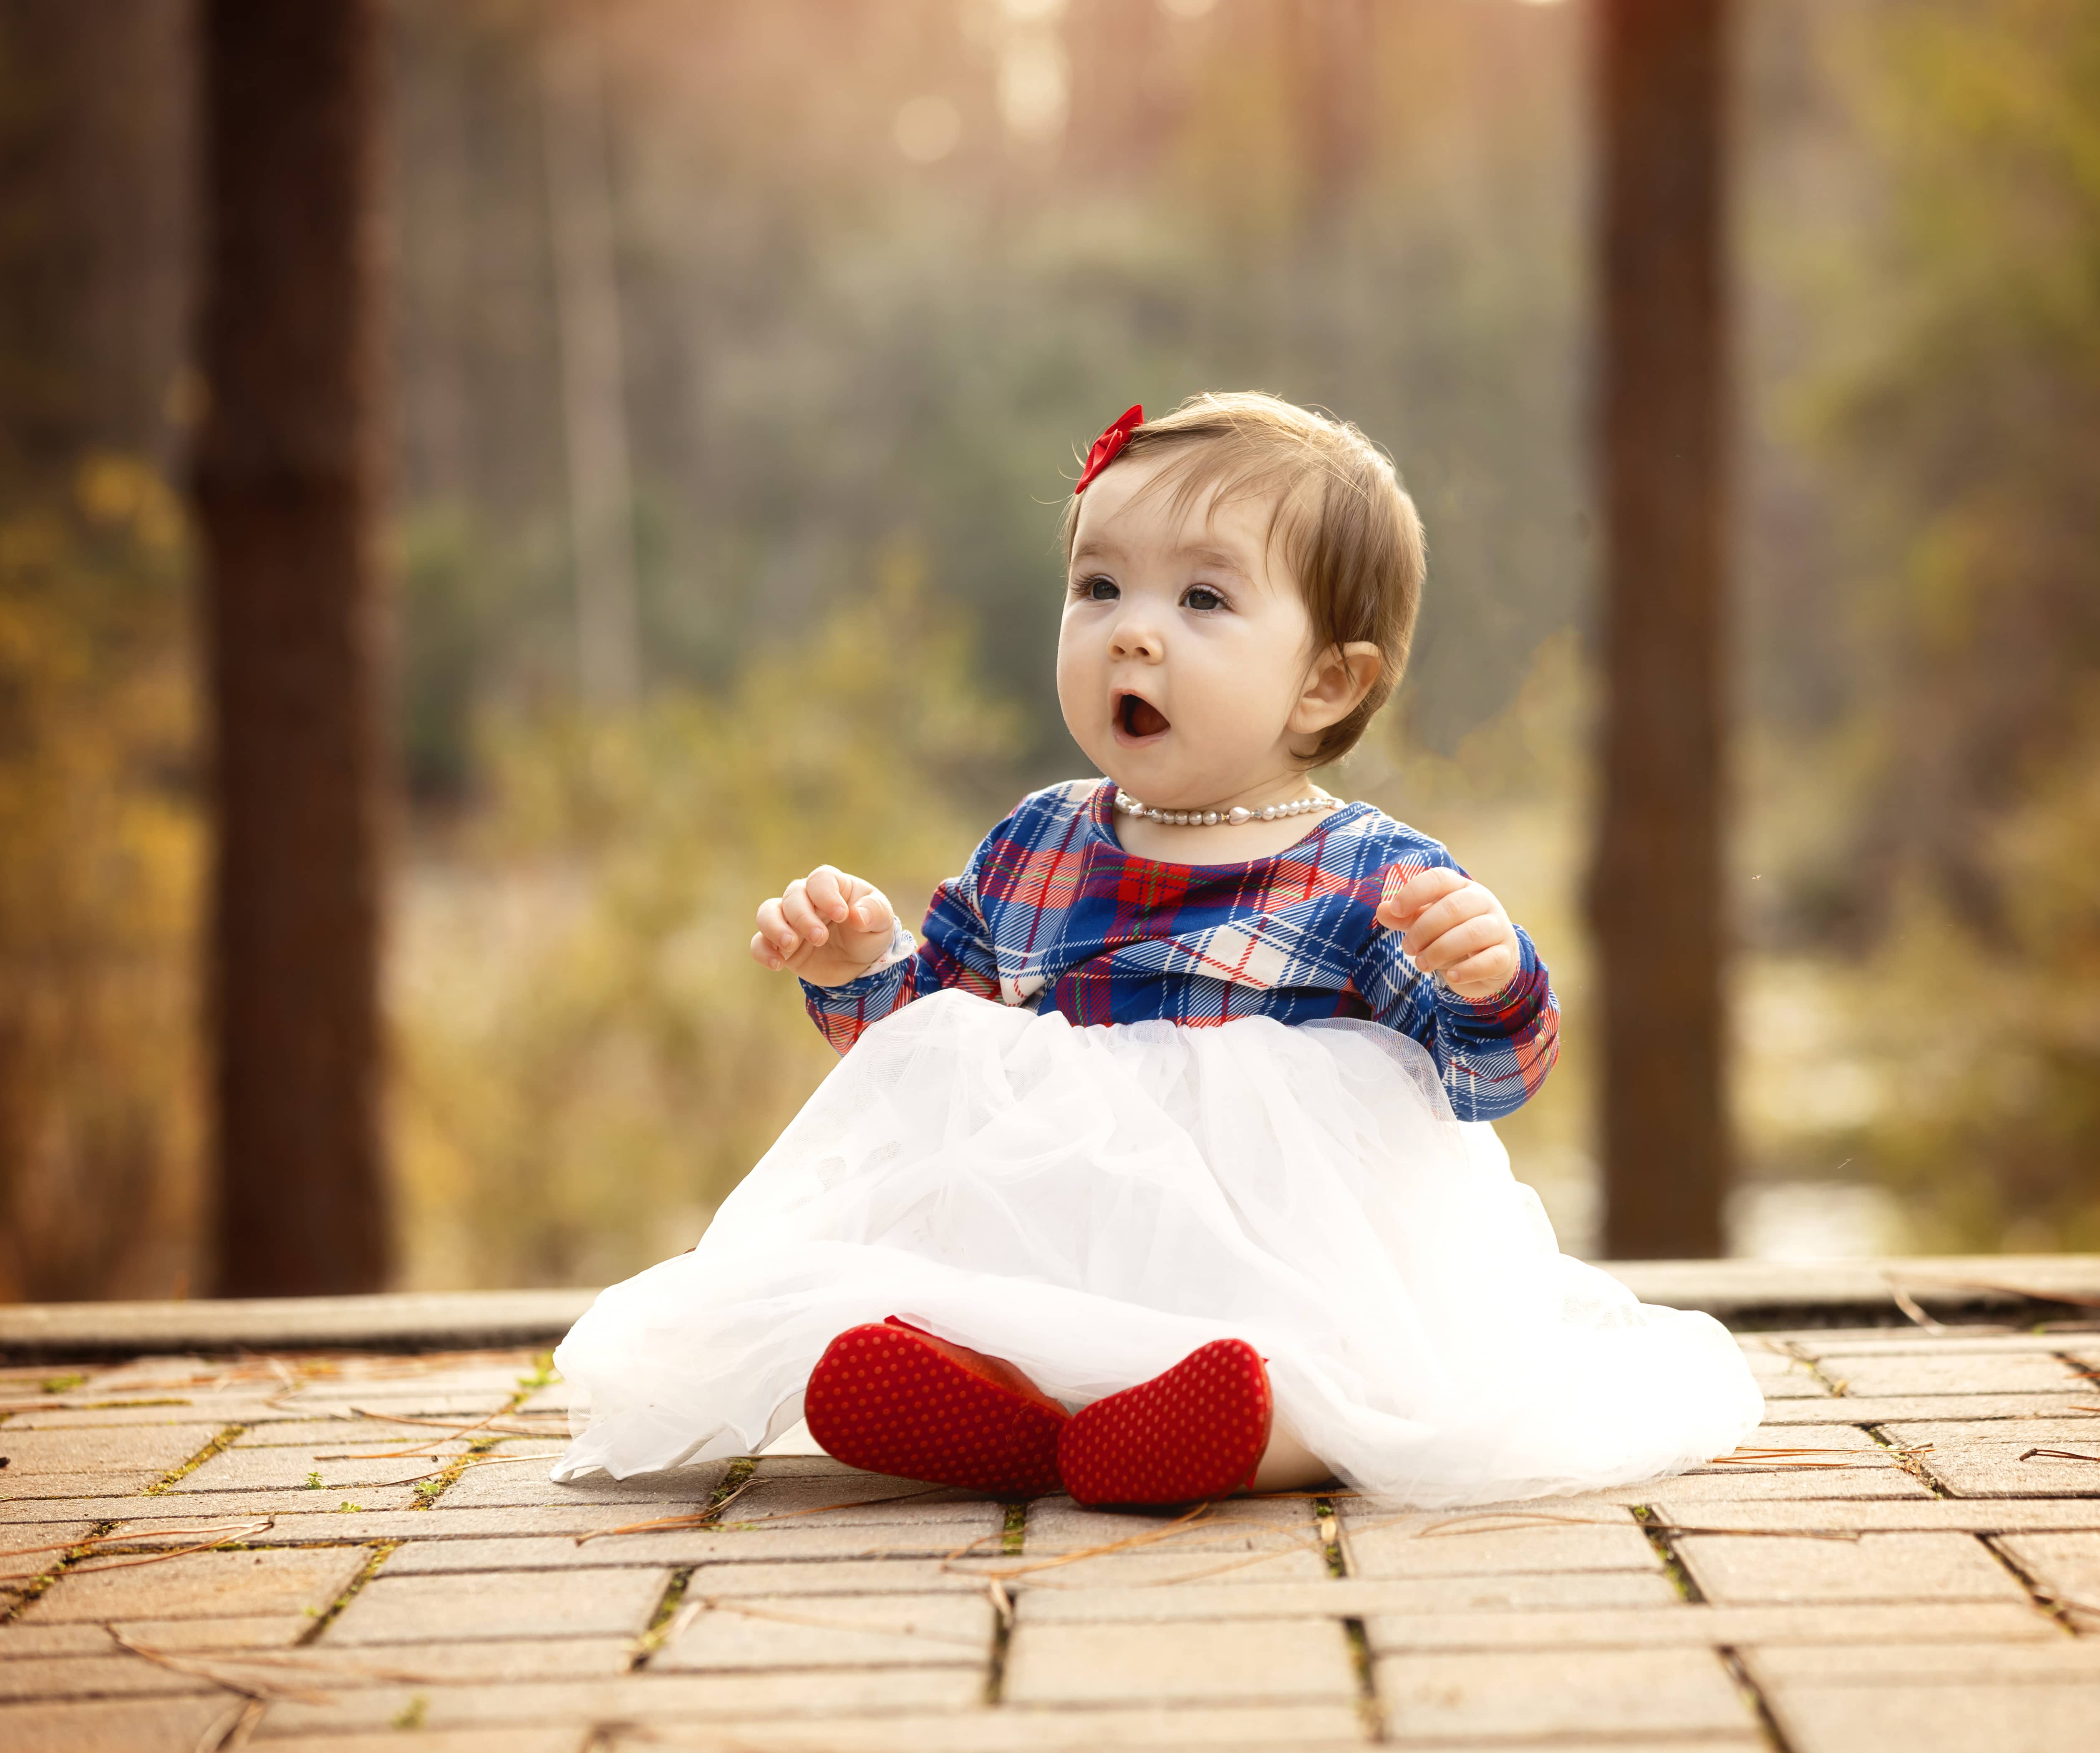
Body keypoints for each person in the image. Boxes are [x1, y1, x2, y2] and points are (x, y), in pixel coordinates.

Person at [551, 392, 1763, 1507]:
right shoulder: (1036, 839)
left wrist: (1491, 977)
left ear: (1325, 685)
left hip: (1279, 1267)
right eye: (1098, 588)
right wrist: (857, 965)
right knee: (982, 1316)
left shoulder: (1371, 873)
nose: (1132, 634)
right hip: (1057, 1248)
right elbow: (928, 1056)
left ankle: (1237, 1433)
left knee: (1336, 1382)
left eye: (1202, 600)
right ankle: (1023, 1415)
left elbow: (1479, 1078)